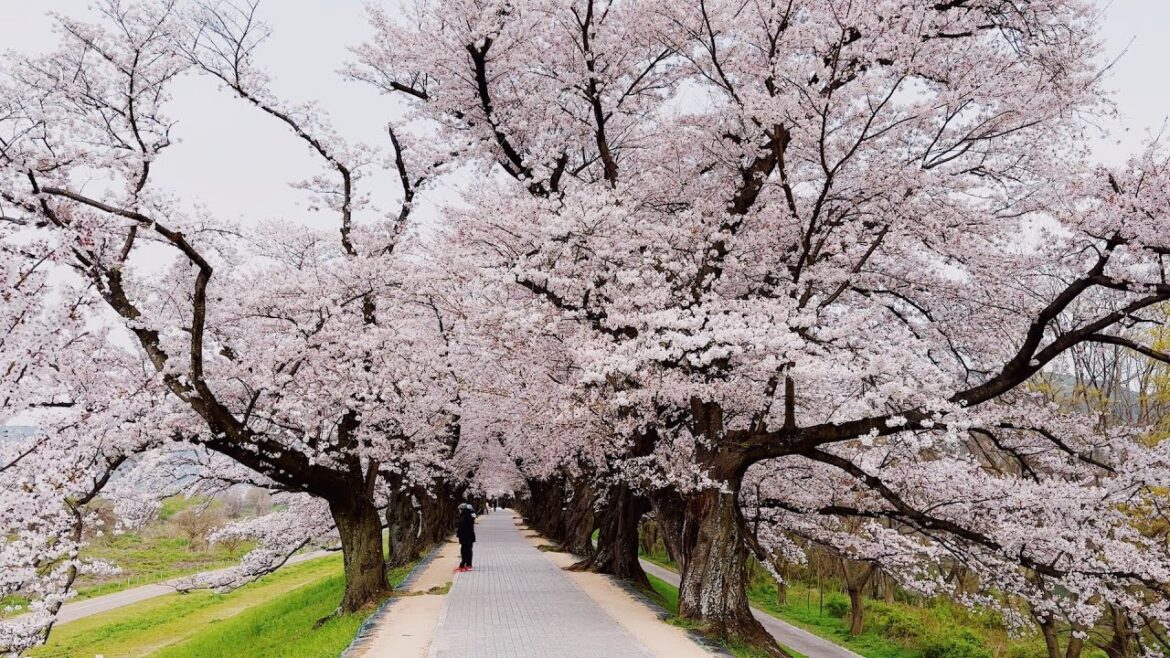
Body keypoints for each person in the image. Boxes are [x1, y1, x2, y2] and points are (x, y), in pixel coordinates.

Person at [455, 503, 476, 572]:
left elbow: (461, 527)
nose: (459, 511)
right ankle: (467, 565)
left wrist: (458, 533)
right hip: (469, 536)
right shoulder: (469, 516)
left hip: (465, 537)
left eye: (460, 509)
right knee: (468, 550)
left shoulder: (464, 517)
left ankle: (464, 565)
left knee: (465, 551)